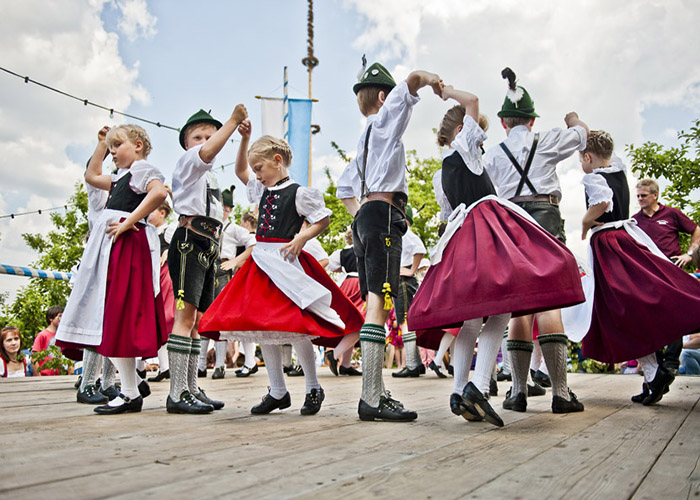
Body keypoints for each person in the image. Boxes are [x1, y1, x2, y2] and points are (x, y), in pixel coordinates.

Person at [408, 84, 585, 425]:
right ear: (463, 131)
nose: (482, 140)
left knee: (472, 319)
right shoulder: (466, 148)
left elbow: (448, 216)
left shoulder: (438, 173)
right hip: (485, 232)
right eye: (479, 133)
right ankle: (478, 384)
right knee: (501, 310)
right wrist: (444, 90)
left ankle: (461, 391)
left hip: (460, 239)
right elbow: (472, 100)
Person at [199, 129, 364, 416]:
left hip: (284, 263)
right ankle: (277, 390)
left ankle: (313, 386)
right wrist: (245, 140)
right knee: (262, 325)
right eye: (255, 170)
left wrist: (301, 238)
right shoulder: (262, 190)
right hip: (260, 264)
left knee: (296, 325)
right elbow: (239, 170)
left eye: (260, 168)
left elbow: (322, 219)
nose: (256, 175)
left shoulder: (299, 192)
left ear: (277, 161)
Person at [336, 60, 443, 421]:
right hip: (383, 216)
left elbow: (343, 189)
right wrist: (432, 80)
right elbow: (412, 81)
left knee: (375, 302)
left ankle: (377, 391)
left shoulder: (362, 144)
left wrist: (359, 216)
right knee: (380, 305)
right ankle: (371, 397)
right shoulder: (383, 124)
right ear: (383, 97)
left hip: (369, 216)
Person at [482, 68, 588, 414]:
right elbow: (582, 136)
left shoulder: (494, 154)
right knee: (549, 302)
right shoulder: (548, 140)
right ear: (530, 121)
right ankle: (560, 392)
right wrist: (572, 117)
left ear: (503, 123)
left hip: (511, 225)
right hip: (545, 220)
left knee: (519, 305)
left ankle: (517, 391)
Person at [577, 130, 700, 405]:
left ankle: (656, 371)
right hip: (623, 241)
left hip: (609, 246)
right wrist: (578, 126)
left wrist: (585, 221)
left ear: (587, 157)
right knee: (633, 310)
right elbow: (605, 159)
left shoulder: (593, 177)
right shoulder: (617, 167)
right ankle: (652, 375)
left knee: (625, 312)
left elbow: (601, 202)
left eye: (581, 158)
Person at [56, 124, 168, 414]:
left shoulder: (143, 169)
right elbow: (92, 177)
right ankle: (130, 392)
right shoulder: (121, 176)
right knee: (112, 318)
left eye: (118, 145)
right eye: (112, 147)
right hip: (112, 248)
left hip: (127, 245)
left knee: (119, 313)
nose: (114, 151)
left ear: (139, 145)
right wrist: (101, 145)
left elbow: (158, 194)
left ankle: (130, 392)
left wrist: (129, 222)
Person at [166, 106, 247, 414]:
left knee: (199, 321)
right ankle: (177, 392)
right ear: (187, 143)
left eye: (209, 136)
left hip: (210, 244)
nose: (204, 141)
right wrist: (232, 122)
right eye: (197, 136)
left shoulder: (209, 173)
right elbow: (208, 151)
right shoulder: (190, 161)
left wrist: (241, 136)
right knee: (185, 318)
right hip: (190, 240)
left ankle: (191, 387)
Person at [632, 178, 700, 375]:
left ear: (655, 195)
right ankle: (654, 361)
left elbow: (696, 229)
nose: (640, 199)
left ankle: (671, 360)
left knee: (674, 315)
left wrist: (690, 253)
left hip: (672, 269)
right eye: (638, 196)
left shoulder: (672, 214)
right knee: (649, 318)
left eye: (644, 196)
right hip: (648, 273)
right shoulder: (636, 220)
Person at [199, 185, 255, 380]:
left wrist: (235, 261)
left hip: (223, 273)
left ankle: (220, 365)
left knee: (219, 319)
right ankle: (200, 365)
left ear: (228, 209)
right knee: (203, 317)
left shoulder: (235, 229)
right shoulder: (207, 225)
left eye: (221, 206)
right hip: (206, 271)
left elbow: (253, 244)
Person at [391, 206, 427, 378]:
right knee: (406, 320)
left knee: (404, 321)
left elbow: (419, 249)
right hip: (402, 278)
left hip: (403, 279)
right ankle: (417, 363)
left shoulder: (405, 234)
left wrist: (411, 270)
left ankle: (412, 364)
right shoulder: (401, 235)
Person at [325, 227, 363, 376]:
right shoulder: (367, 249)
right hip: (361, 284)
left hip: (346, 285)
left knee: (351, 323)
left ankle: (346, 364)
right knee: (361, 323)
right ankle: (335, 354)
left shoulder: (342, 252)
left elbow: (331, 266)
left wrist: (344, 270)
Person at [147, 201, 176, 383]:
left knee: (166, 317)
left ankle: (171, 366)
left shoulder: (170, 230)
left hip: (166, 276)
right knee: (156, 320)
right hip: (152, 277)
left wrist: (169, 252)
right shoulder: (148, 232)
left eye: (152, 210)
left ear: (163, 213)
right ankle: (164, 366)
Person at [235, 212, 260, 378]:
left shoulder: (249, 240)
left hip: (246, 281)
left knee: (245, 322)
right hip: (251, 280)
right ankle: (249, 361)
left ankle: (250, 361)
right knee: (246, 322)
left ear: (245, 223)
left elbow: (249, 259)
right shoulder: (256, 238)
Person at [32, 306, 64, 376]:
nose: (62, 319)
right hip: (44, 375)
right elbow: (34, 358)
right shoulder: (42, 335)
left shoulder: (60, 336)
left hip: (57, 376)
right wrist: (39, 376)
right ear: (51, 318)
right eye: (59, 316)